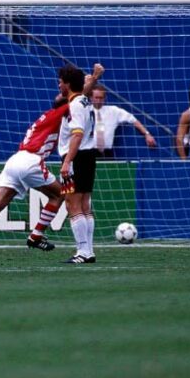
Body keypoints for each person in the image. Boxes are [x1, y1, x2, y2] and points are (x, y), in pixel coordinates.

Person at [0, 64, 104, 260]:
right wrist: (95, 77)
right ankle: (38, 236)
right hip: (31, 161)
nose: (58, 89)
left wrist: (91, 79)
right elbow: (80, 94)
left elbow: (77, 95)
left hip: (15, 160)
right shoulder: (64, 111)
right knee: (60, 196)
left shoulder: (45, 116)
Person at [61, 64, 107, 264]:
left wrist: (67, 162)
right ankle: (88, 251)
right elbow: (84, 89)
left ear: (68, 84)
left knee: (73, 204)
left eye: (61, 82)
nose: (59, 85)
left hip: (76, 156)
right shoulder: (84, 101)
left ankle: (82, 251)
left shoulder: (75, 105)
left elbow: (77, 134)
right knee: (85, 204)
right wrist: (94, 77)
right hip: (89, 155)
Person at [88, 85, 156, 159]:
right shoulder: (85, 111)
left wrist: (147, 134)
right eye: (96, 97)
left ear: (104, 98)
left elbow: (133, 120)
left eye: (101, 98)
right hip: (88, 152)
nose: (98, 100)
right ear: (91, 98)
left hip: (106, 153)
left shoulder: (113, 111)